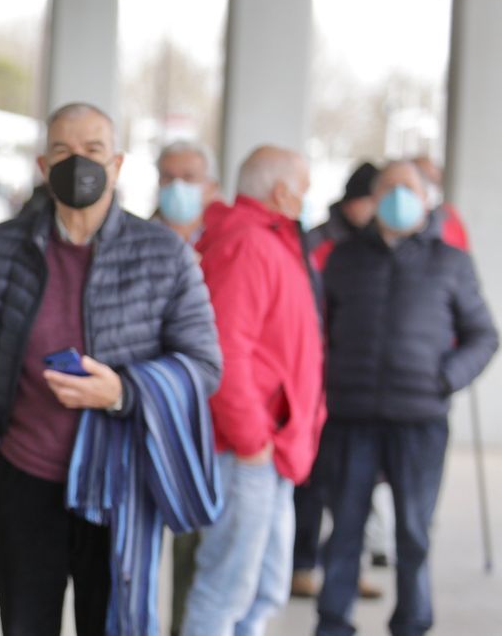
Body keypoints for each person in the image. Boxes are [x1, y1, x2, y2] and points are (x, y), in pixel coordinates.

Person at [0, 102, 222, 636]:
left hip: (119, 487)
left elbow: (204, 363)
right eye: (63, 152)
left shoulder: (164, 254)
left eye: (94, 151)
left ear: (118, 164)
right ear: (42, 166)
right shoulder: (0, 250)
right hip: (23, 481)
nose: (80, 163)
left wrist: (122, 391)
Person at [315, 161, 498, 636]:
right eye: (389, 188)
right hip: (350, 416)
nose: (399, 196)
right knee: (345, 530)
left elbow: (483, 335)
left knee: (414, 532)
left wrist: (446, 378)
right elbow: (316, 331)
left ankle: (413, 623)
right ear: (373, 199)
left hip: (420, 419)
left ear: (427, 198)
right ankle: (333, 621)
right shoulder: (343, 258)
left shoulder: (450, 261)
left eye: (408, 188)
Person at [181, 145, 326, 636]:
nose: (305, 199)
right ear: (281, 190)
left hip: (270, 450)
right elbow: (225, 349)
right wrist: (252, 440)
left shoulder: (270, 240)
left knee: (260, 590)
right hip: (247, 453)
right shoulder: (247, 242)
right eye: (303, 188)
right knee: (226, 590)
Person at [292, 161, 384, 601]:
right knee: (313, 482)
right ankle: (304, 562)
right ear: (355, 201)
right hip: (318, 381)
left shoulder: (380, 246)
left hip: (360, 388)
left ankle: (347, 566)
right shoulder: (320, 242)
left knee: (358, 487)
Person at [151, 139, 223, 636]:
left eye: (190, 176)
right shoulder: (130, 239)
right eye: (168, 176)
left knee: (193, 557)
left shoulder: (227, 245)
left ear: (211, 186)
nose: (179, 187)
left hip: (205, 426)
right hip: (138, 416)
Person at [153, 140, 223, 246]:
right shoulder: (138, 236)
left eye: (188, 177)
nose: (176, 186)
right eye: (168, 177)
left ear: (211, 187)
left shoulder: (225, 239)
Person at [412, 155, 469, 251]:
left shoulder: (449, 215)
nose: (429, 186)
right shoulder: (396, 215)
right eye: (423, 179)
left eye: (434, 180)